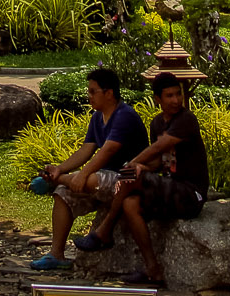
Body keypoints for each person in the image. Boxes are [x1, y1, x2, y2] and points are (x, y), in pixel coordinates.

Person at [85, 72, 210, 284]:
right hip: (168, 188)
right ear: (157, 99)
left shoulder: (186, 119)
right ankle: (152, 268)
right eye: (169, 96)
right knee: (130, 203)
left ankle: (105, 229)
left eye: (178, 94)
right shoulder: (157, 123)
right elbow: (159, 161)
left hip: (190, 193)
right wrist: (141, 166)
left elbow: (161, 146)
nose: (176, 100)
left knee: (131, 173)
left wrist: (133, 164)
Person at [27, 67, 150, 273]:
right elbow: (86, 150)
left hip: (127, 180)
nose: (89, 96)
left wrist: (81, 175)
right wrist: (59, 168)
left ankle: (55, 180)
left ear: (109, 93)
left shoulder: (124, 115)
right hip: (103, 178)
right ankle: (56, 254)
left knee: (93, 180)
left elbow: (108, 150)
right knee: (63, 193)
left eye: (93, 91)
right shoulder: (97, 117)